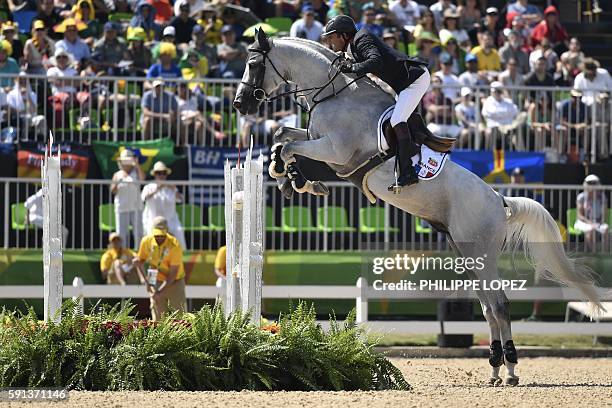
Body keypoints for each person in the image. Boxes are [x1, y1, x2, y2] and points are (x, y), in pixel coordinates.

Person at [322, 14, 430, 190]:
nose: (331, 42)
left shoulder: (362, 38)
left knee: (397, 121)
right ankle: (412, 150)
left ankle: (408, 171)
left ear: (343, 35)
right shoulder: (353, 46)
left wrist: (352, 67)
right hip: (404, 84)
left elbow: (375, 62)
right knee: (394, 119)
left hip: (415, 79)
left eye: (332, 37)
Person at [134, 226, 187, 321]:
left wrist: (160, 292)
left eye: (162, 235)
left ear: (167, 233)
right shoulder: (146, 241)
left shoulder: (174, 244)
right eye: (157, 235)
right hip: (154, 274)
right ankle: (158, 333)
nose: (159, 238)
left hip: (175, 280)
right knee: (157, 313)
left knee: (180, 315)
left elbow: (173, 274)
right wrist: (145, 281)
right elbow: (139, 261)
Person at [141, 160, 187, 249]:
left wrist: (174, 189)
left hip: (170, 219)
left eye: (163, 173)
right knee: (150, 234)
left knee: (179, 231)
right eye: (159, 173)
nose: (161, 175)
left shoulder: (171, 187)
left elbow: (181, 199)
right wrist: (157, 189)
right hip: (152, 219)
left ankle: (182, 256)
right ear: (154, 174)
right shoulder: (149, 187)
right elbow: (144, 198)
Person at [111, 149, 144, 249]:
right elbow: (112, 190)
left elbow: (143, 179)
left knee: (138, 233)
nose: (126, 162)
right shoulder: (117, 175)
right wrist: (117, 183)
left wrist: (136, 164)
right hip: (122, 207)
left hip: (136, 207)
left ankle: (139, 254)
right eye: (124, 160)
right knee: (121, 234)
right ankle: (122, 255)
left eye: (128, 160)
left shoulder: (136, 172)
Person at [481, 81, 522, 149]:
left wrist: (498, 115)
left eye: (499, 91)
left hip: (508, 127)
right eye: (495, 91)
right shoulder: (488, 101)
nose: (497, 93)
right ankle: (489, 154)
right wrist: (503, 115)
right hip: (493, 127)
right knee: (490, 132)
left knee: (518, 129)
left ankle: (520, 154)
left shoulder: (508, 101)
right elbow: (485, 114)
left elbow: (515, 113)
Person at [575, 174, 609, 252]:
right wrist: (590, 223)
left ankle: (605, 253)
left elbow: (604, 214)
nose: (592, 185)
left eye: (594, 183)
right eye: (590, 183)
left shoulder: (602, 197)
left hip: (598, 222)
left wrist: (600, 222)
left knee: (606, 228)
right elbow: (580, 215)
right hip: (583, 222)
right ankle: (593, 253)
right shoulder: (581, 197)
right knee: (590, 230)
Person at [6, 73, 47, 138]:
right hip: (18, 118)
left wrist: (28, 98)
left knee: (42, 119)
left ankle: (41, 140)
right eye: (21, 81)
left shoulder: (32, 94)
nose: (23, 82)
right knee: (26, 119)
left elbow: (34, 111)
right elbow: (11, 110)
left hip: (31, 117)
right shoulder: (11, 94)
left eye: (25, 80)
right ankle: (24, 142)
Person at [423, 75, 462, 140]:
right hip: (434, 124)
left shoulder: (447, 99)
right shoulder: (427, 97)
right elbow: (433, 109)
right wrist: (445, 109)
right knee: (432, 131)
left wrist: (437, 111)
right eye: (434, 81)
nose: (436, 83)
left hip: (448, 125)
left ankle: (453, 150)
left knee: (462, 132)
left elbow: (452, 114)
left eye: (438, 81)